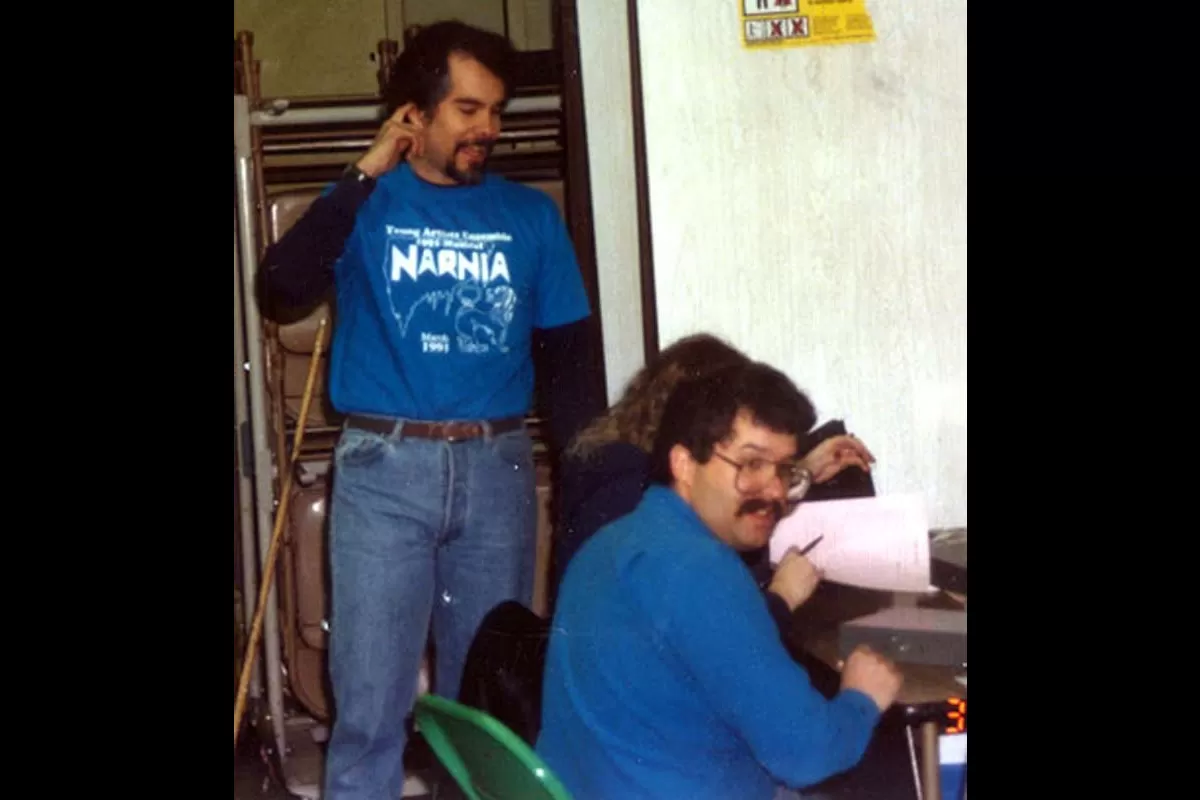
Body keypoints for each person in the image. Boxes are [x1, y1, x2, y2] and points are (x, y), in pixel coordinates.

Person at [255, 20, 603, 800]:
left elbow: (572, 374)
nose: (489, 129)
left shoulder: (530, 217)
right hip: (385, 472)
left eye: (497, 111)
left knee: (485, 709)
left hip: (498, 470)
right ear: (416, 113)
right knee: (370, 710)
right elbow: (280, 289)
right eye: (468, 110)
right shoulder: (366, 205)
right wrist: (364, 171)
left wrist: (591, 495)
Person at [457, 333, 875, 746]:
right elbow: (720, 651)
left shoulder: (615, 476)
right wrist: (782, 598)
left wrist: (799, 471)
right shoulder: (638, 510)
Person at [536, 360, 904, 800]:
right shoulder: (698, 569)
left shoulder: (613, 541)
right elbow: (809, 755)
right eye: (751, 464)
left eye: (784, 469)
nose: (774, 491)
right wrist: (862, 697)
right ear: (684, 465)